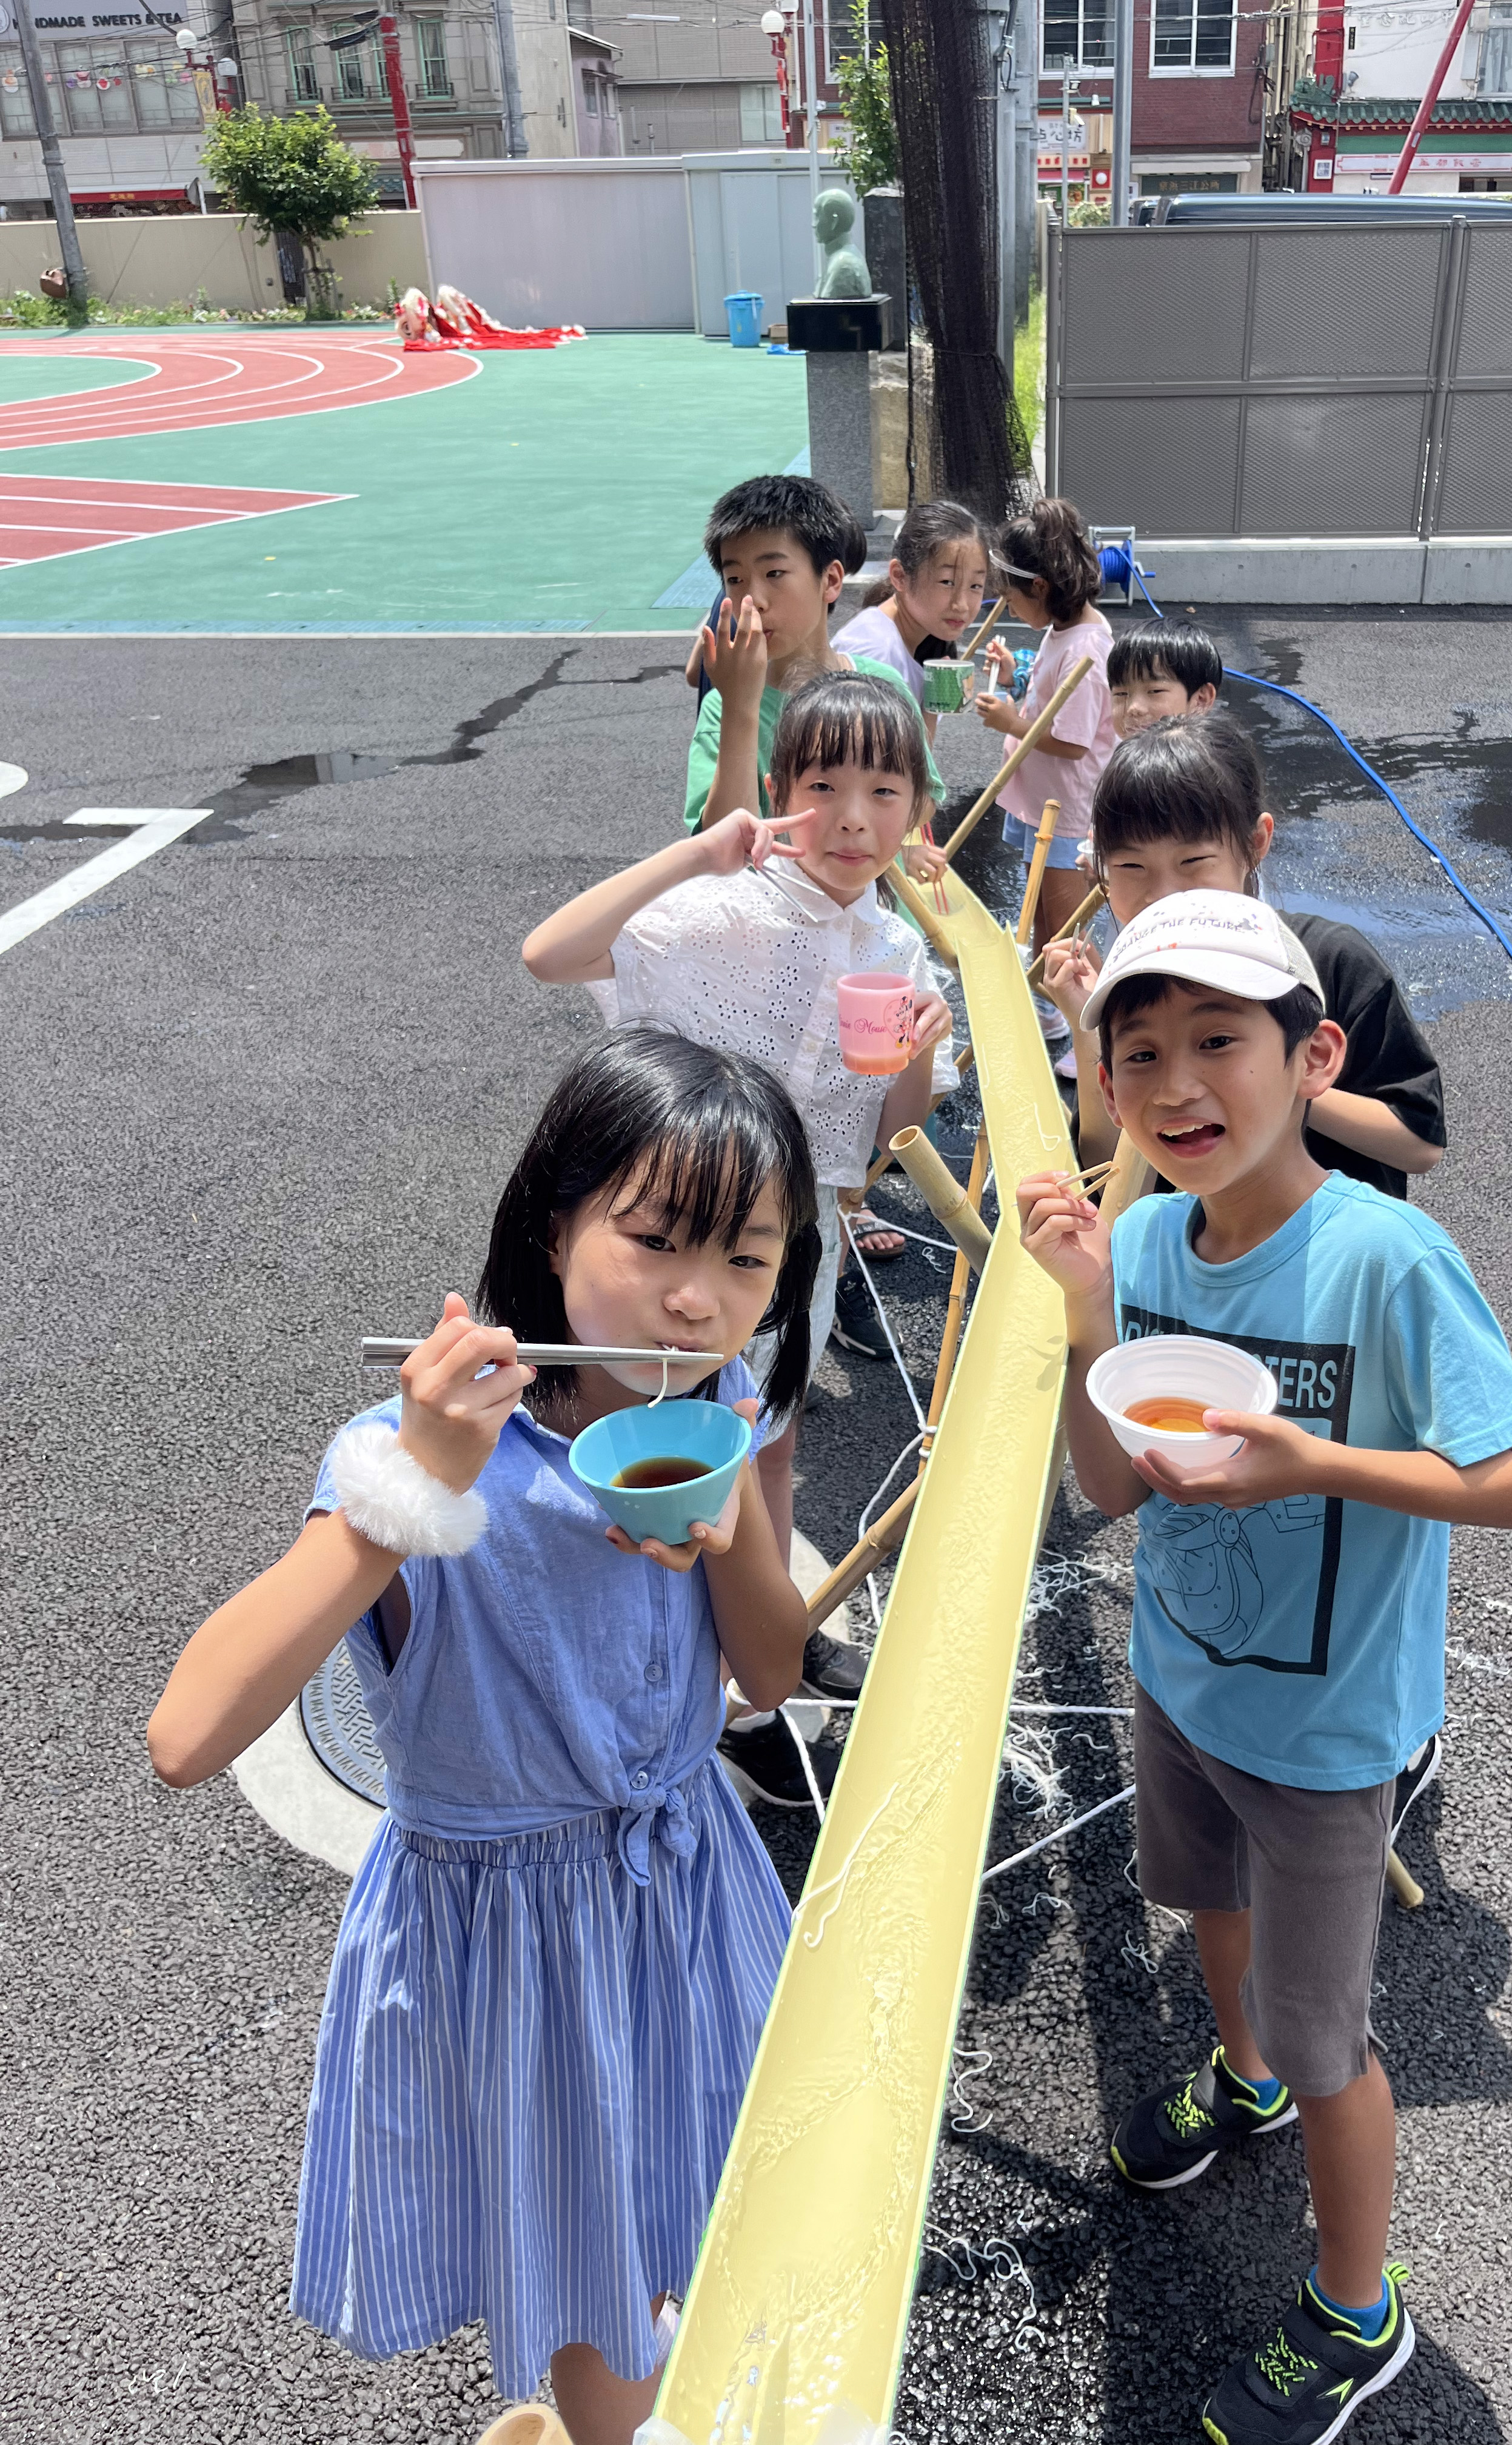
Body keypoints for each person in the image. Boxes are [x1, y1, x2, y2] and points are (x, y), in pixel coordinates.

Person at [146, 1029, 824, 2445]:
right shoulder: (420, 1456)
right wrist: (410, 1490)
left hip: (685, 1887)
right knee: (590, 2274)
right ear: (554, 1222)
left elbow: (766, 1672)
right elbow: (190, 1731)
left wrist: (727, 1539)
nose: (698, 1302)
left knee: (688, 2199)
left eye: (748, 1262)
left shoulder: (720, 1410)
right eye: (653, 1240)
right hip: (512, 1943)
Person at [1017, 893, 1512, 2445]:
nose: (1180, 1086)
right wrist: (1081, 1322)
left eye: (1218, 1044)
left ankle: (1354, 2306)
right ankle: (1234, 2075)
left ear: (1313, 1054)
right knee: (1208, 1911)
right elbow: (1114, 1492)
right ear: (1109, 1088)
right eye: (1142, 1057)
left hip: (1328, 1734)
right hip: (1182, 1676)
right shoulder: (1137, 1244)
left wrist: (1313, 1462)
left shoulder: (1387, 1260)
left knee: (1337, 2044)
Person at [521, 672, 955, 1802]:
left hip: (793, 1256)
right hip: (681, 1257)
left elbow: (894, 1135)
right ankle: (693, 1704)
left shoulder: (898, 950)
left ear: (915, 808)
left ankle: (768, 1653)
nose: (854, 816)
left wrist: (918, 1045)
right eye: (822, 785)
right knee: (665, 1474)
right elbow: (551, 953)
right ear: (778, 793)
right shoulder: (719, 913)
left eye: (883, 787)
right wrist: (700, 853)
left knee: (769, 1442)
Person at [1043, 716, 1447, 1201]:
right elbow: (1105, 1168)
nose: (1164, 894)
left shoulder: (1333, 961)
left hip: (1324, 1262)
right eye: (1132, 867)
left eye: (1193, 863)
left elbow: (1419, 1145)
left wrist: (1280, 1082)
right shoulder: (1126, 983)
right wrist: (1085, 1026)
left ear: (1255, 844)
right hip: (1198, 1264)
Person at [684, 472, 946, 837]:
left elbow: (924, 800)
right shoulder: (722, 709)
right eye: (735, 580)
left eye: (774, 572)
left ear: (831, 580)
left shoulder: (883, 685)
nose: (753, 600)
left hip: (872, 896)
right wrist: (740, 708)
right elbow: (719, 844)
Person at [974, 497, 1117, 1062]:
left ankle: (1095, 1034)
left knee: (1067, 929)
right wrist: (1016, 678)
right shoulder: (1065, 628)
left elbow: (1075, 740)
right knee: (1044, 918)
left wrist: (1012, 720)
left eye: (1010, 596)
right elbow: (1052, 698)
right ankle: (1051, 1011)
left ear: (1038, 585)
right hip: (1043, 801)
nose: (1006, 606)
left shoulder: (1088, 645)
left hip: (1068, 810)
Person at [831, 499, 990, 738]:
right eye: (947, 582)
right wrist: (930, 713)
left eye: (975, 586)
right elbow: (870, 770)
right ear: (900, 576)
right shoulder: (875, 655)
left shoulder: (914, 637)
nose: (962, 604)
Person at [1106, 613, 1222, 739]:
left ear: (1201, 699)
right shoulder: (1123, 757)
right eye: (1121, 694)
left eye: (1155, 691)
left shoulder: (1214, 758)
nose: (1133, 708)